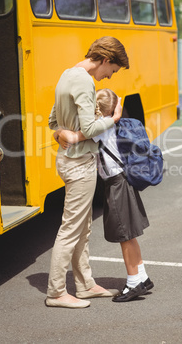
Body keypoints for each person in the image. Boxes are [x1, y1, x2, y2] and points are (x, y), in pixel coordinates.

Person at [46, 37, 129, 309]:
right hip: (79, 163)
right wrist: (113, 119)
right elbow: (91, 128)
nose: (108, 77)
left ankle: (85, 285)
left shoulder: (66, 75)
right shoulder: (84, 81)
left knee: (82, 226)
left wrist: (63, 133)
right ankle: (56, 293)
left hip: (69, 160)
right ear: (106, 59)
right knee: (71, 229)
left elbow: (52, 121)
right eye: (112, 70)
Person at [56, 88, 154, 302]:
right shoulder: (114, 124)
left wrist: (59, 132)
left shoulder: (100, 129)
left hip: (116, 184)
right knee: (130, 234)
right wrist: (117, 109)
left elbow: (74, 137)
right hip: (124, 181)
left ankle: (133, 283)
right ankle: (142, 277)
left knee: (124, 236)